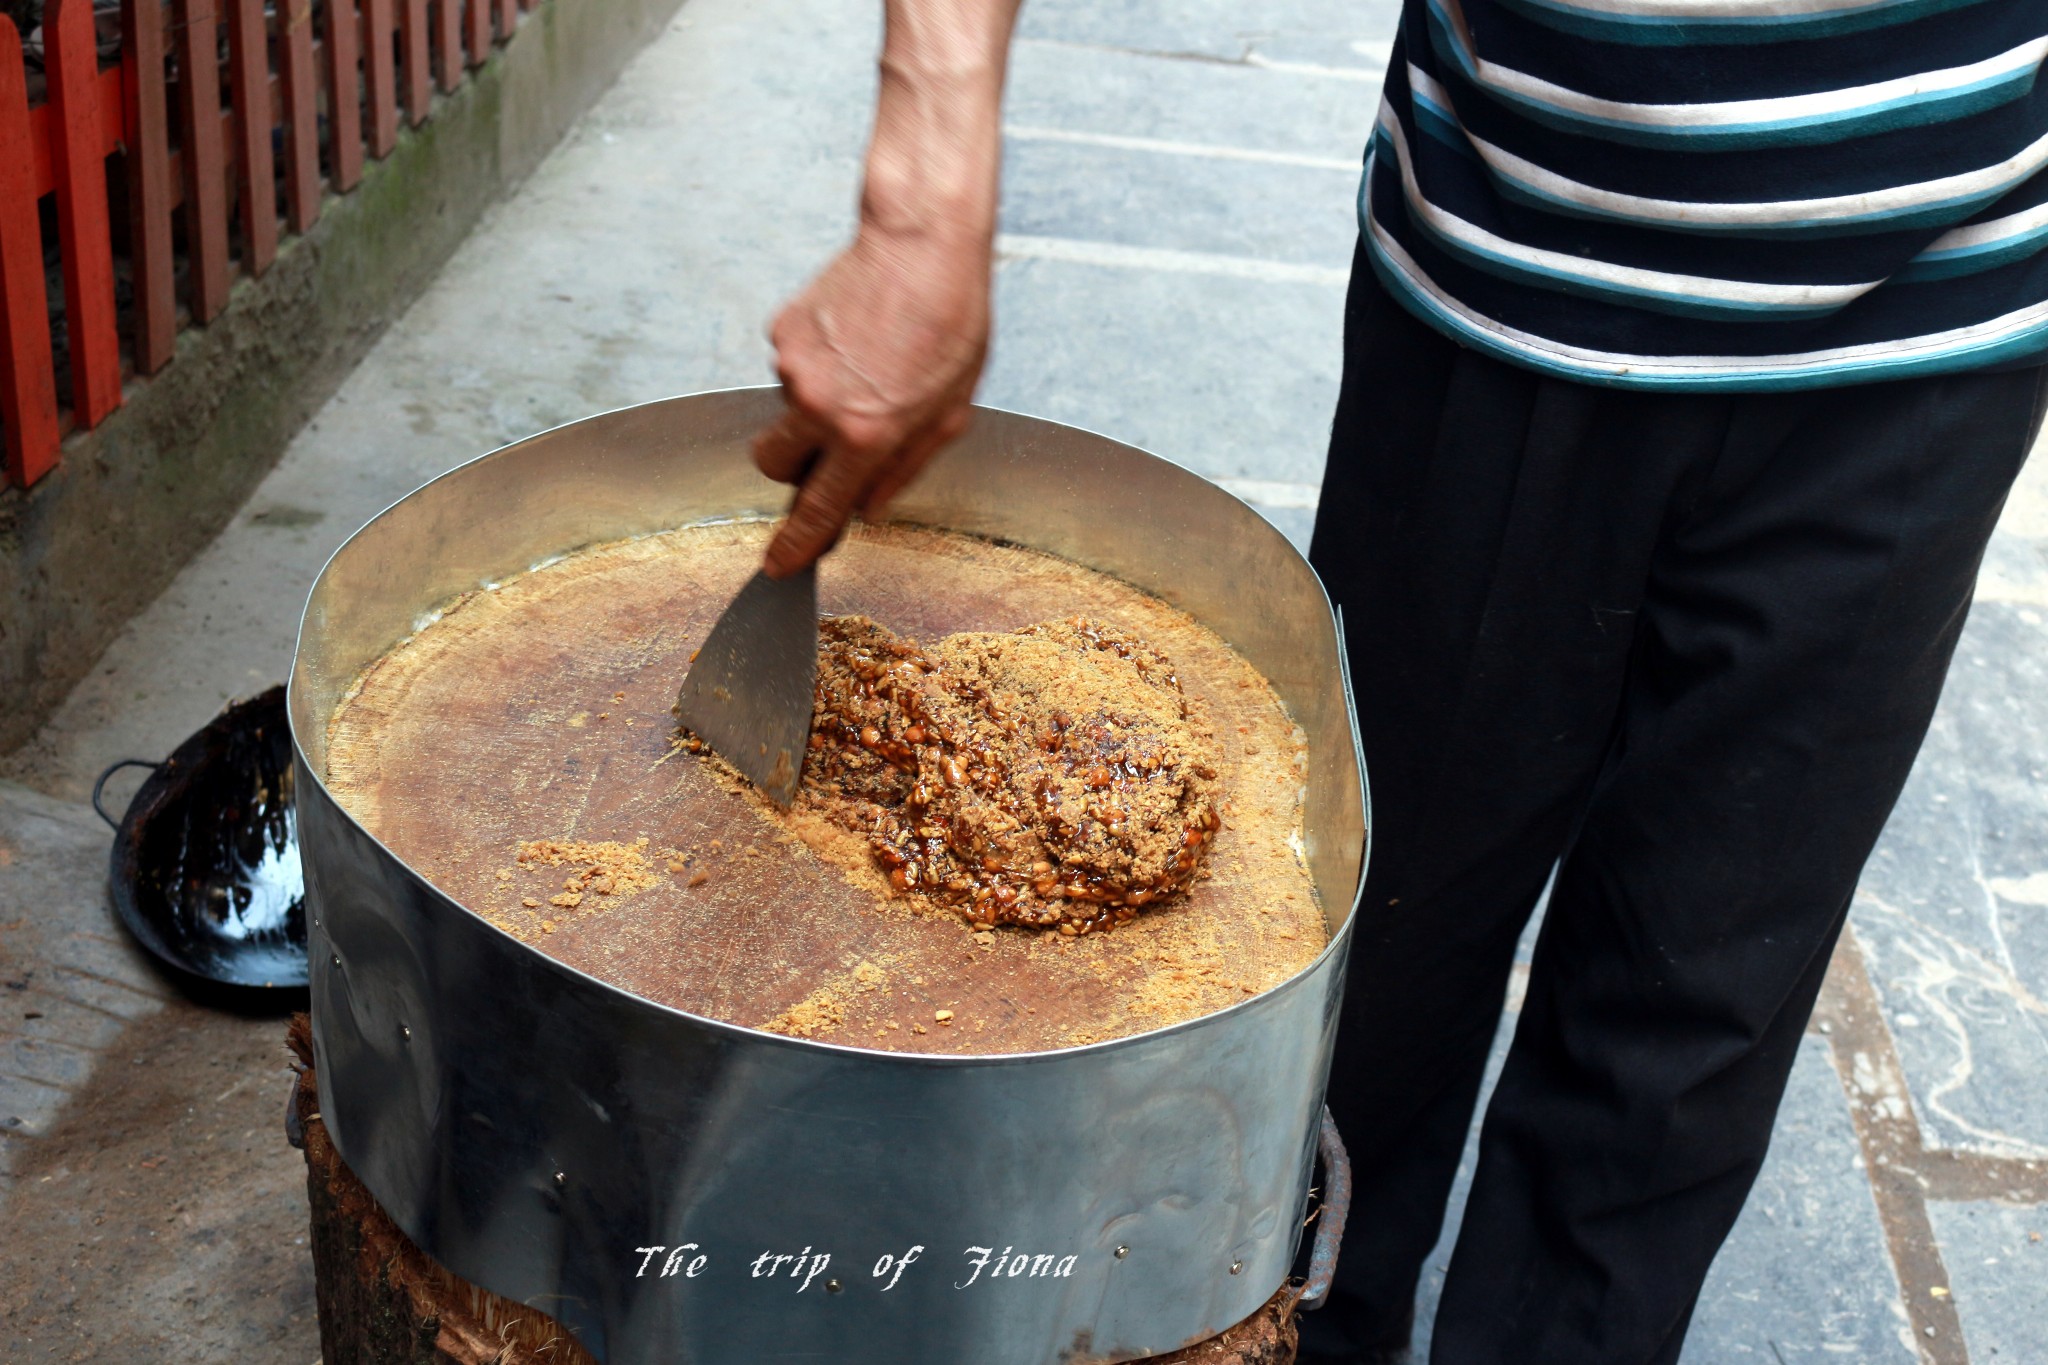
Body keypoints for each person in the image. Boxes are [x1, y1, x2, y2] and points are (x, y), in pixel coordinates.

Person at [750, 1, 2048, 1361]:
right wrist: (926, 158)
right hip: (1511, 263)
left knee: (1684, 1042)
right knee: (1366, 982)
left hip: (1936, 316)